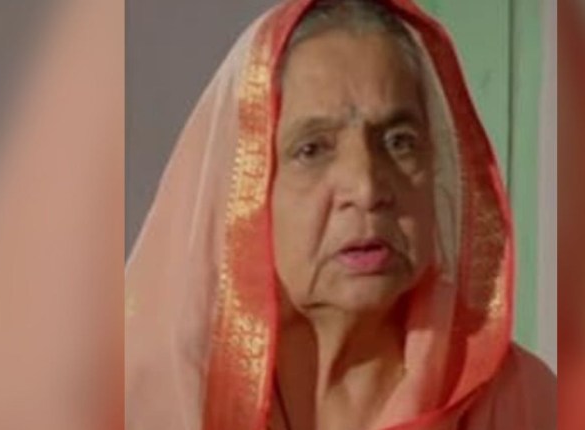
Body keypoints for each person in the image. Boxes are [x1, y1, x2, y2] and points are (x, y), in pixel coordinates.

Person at [125, 1, 555, 429]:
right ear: (245, 188)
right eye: (312, 149)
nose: (367, 189)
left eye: (399, 142)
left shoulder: (521, 401)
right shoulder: (165, 397)